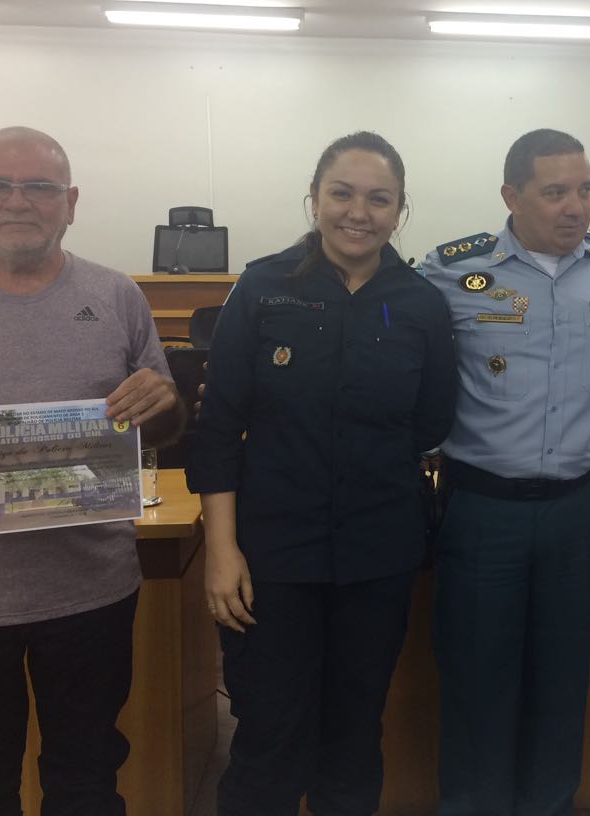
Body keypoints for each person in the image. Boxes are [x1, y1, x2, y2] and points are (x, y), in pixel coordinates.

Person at [0, 125, 182, 815]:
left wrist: (165, 404)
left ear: (71, 202)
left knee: (86, 787)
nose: (18, 201)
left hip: (92, 594)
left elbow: (163, 428)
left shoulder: (117, 296)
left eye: (40, 187)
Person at [187, 131, 457, 816]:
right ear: (314, 198)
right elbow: (217, 427)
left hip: (377, 554)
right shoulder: (263, 287)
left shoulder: (422, 303)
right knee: (268, 738)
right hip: (271, 558)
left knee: (354, 738)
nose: (358, 213)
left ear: (400, 210)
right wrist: (221, 551)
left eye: (379, 199)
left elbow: (431, 422)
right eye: (342, 193)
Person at [419, 128, 590, 816]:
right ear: (511, 196)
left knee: (563, 676)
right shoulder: (450, 271)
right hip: (482, 507)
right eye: (554, 192)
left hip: (579, 506)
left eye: (584, 189)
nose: (575, 206)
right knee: (476, 678)